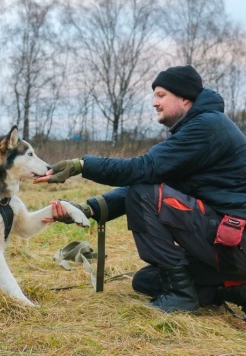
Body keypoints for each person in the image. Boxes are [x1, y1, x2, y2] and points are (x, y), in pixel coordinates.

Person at [34, 65, 246, 313]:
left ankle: (180, 296)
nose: (154, 103)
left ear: (185, 97)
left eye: (161, 95)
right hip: (228, 245)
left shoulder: (207, 127)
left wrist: (81, 165)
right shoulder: (201, 127)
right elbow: (153, 182)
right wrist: (87, 210)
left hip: (234, 242)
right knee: (145, 280)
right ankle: (233, 287)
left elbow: (142, 172)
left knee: (142, 195)